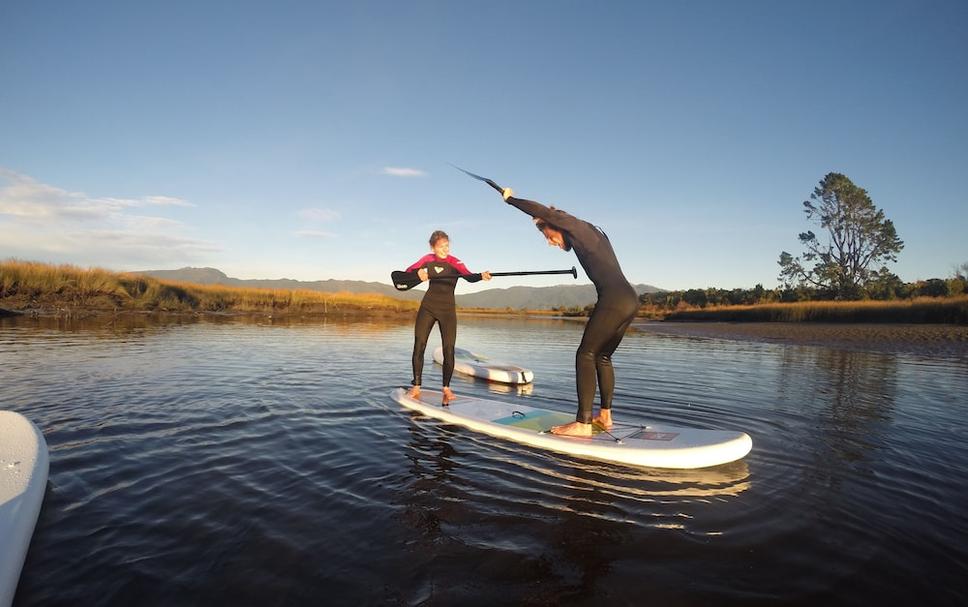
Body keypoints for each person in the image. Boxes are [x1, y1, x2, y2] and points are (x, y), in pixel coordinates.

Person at [499, 187, 638, 436]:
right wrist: (543, 220)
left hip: (614, 300)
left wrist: (510, 199)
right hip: (629, 299)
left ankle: (583, 423)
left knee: (585, 353)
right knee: (602, 357)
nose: (549, 242)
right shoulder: (591, 231)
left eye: (547, 236)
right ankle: (605, 416)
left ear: (556, 225)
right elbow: (546, 216)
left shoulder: (576, 227)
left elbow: (542, 211)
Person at [404, 230, 491, 405]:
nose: (445, 249)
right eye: (441, 246)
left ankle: (446, 388)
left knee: (449, 349)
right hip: (427, 307)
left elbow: (469, 276)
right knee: (419, 346)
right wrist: (417, 274)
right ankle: (416, 386)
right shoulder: (427, 259)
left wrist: (481, 276)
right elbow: (407, 273)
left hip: (448, 311)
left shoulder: (455, 262)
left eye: (447, 245)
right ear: (433, 247)